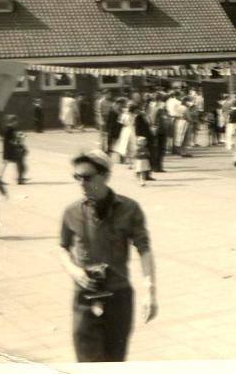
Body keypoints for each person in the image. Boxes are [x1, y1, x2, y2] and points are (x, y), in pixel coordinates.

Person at [59, 149, 157, 363]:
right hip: (85, 298)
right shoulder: (71, 212)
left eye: (87, 177)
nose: (81, 184)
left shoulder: (130, 209)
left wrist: (150, 291)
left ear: (105, 175)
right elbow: (62, 248)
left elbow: (144, 249)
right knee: (86, 363)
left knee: (115, 361)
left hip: (118, 298)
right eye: (77, 177)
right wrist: (73, 270)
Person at [0, 115, 27, 184]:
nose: (17, 123)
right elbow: (11, 141)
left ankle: (0, 178)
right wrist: (18, 143)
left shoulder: (9, 129)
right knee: (20, 162)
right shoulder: (9, 130)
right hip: (11, 150)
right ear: (12, 122)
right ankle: (20, 178)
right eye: (16, 121)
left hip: (8, 149)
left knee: (5, 164)